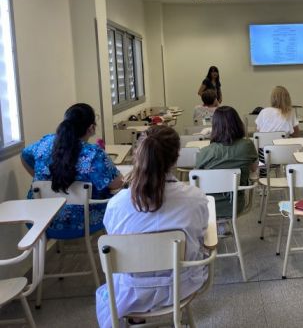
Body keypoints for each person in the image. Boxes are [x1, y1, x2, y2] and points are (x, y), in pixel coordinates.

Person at [96, 126, 209, 328]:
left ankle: (137, 316)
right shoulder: (195, 198)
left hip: (131, 291)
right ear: (176, 158)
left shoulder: (117, 204)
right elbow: (200, 237)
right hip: (181, 285)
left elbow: (114, 237)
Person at [21, 103, 122, 239]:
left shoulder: (45, 143)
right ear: (91, 128)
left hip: (40, 218)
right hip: (82, 221)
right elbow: (116, 184)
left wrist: (42, 181)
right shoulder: (93, 153)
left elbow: (24, 156)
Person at [196, 106, 258, 219]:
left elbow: (198, 177)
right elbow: (254, 169)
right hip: (235, 205)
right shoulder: (247, 145)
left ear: (215, 126)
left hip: (206, 206)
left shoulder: (204, 152)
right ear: (237, 123)